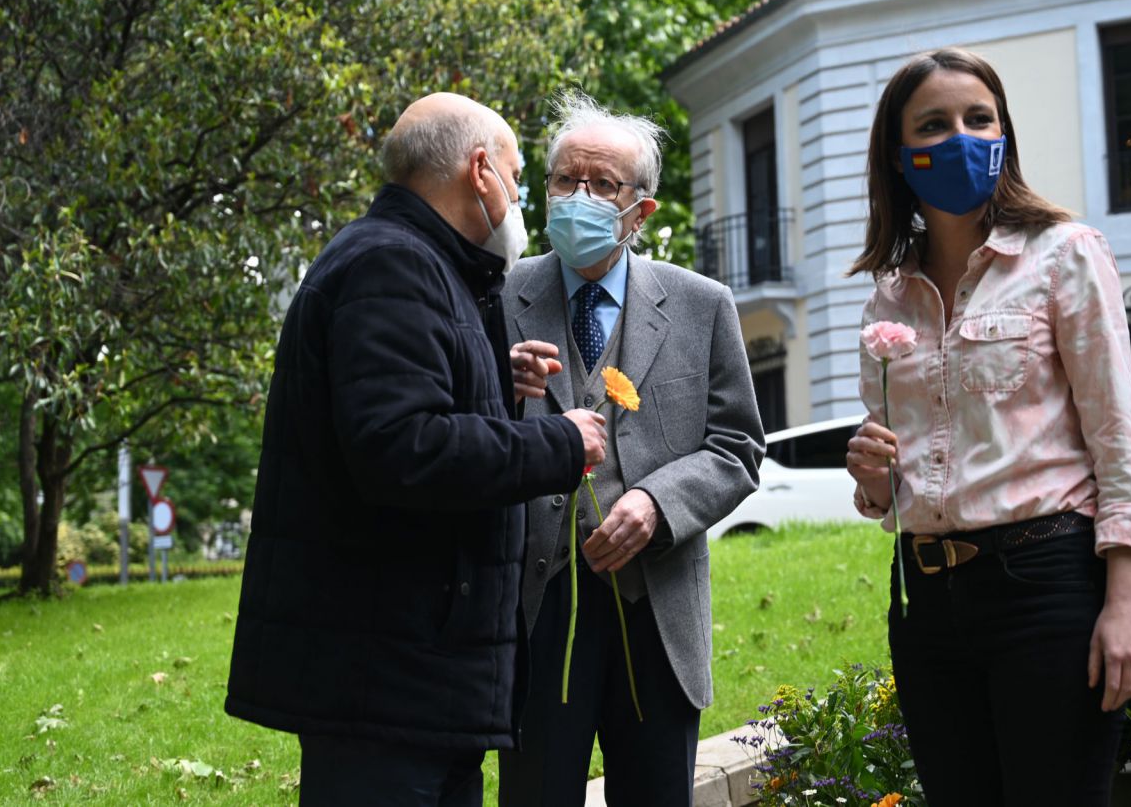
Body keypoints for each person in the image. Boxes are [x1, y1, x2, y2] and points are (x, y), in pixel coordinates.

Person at [224, 92, 610, 807]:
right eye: (516, 177)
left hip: (417, 676)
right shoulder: (393, 266)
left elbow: (405, 405)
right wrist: (559, 441)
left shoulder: (426, 265)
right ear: (479, 171)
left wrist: (492, 378)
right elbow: (403, 448)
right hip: (386, 678)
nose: (519, 198)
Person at [845, 48, 1131, 806]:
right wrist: (873, 480)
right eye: (934, 124)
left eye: (979, 119)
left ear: (1003, 135)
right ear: (899, 155)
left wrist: (1127, 596)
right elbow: (896, 480)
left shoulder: (1065, 255)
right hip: (925, 600)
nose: (961, 137)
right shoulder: (888, 297)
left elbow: (1117, 428)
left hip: (1046, 586)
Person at [497, 91, 764, 806]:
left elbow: (738, 446)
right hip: (537, 602)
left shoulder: (703, 304)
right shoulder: (499, 294)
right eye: (565, 180)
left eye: (602, 184)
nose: (578, 197)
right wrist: (500, 390)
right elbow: (463, 431)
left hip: (657, 606)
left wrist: (656, 503)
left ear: (640, 211)